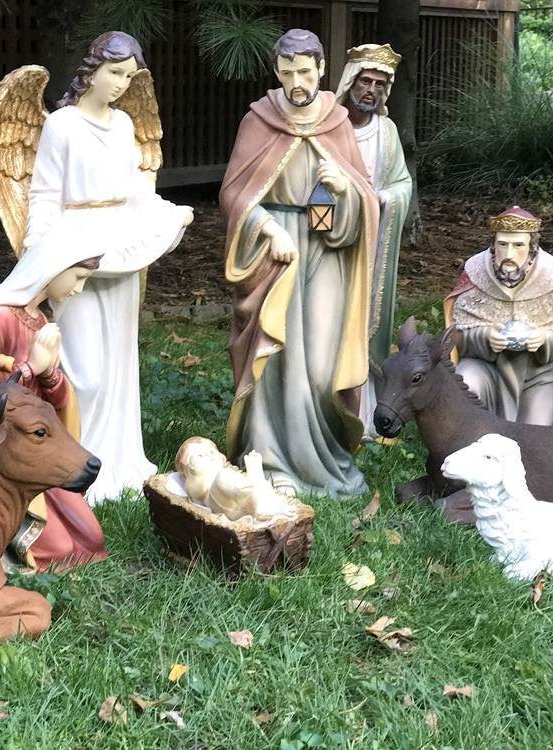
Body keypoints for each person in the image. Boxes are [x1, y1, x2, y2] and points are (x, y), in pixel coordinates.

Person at [24, 31, 193, 503]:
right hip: (76, 249)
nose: (120, 83)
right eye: (114, 72)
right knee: (84, 370)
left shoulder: (122, 125)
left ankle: (117, 461)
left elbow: (134, 188)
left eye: (128, 76)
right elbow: (44, 193)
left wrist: (168, 213)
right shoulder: (62, 125)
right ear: (92, 69)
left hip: (121, 249)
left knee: (119, 363)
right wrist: (38, 250)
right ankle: (75, 458)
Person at [219, 29, 380, 498]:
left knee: (322, 364)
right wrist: (268, 228)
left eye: (305, 72)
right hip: (276, 252)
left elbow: (366, 196)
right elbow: (234, 194)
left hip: (326, 251)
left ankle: (323, 456)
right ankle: (270, 461)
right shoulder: (259, 120)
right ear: (276, 72)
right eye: (287, 73)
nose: (297, 82)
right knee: (275, 354)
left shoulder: (338, 121)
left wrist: (345, 189)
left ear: (322, 70)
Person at [0, 243, 109, 571]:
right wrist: (31, 367)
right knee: (59, 549)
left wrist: (49, 375)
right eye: (77, 277)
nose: (79, 288)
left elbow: (49, 402)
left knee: (90, 538)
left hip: (33, 439)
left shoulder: (40, 321)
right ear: (53, 268)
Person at [333, 43, 413, 435]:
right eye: (365, 81)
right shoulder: (330, 125)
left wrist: (382, 198)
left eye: (379, 84)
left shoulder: (387, 131)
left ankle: (363, 415)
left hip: (373, 241)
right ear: (351, 81)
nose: (371, 90)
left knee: (364, 322)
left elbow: (401, 183)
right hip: (331, 238)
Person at [445, 206, 553, 425]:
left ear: (532, 247)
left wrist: (545, 338)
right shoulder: (475, 273)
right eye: (503, 244)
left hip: (536, 374)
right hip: (486, 368)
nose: (509, 254)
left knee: (536, 435)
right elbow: (454, 335)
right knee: (466, 383)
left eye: (518, 245)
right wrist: (484, 336)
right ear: (494, 245)